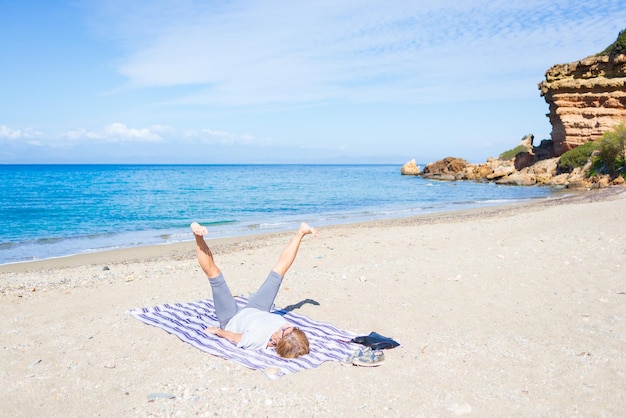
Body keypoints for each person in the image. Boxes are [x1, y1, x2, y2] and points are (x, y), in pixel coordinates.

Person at [191, 221, 318, 358]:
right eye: (291, 328)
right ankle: (301, 232)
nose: (287, 325)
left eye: (285, 330)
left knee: (214, 275)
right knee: (279, 272)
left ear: (276, 340)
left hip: (232, 318)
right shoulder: (286, 331)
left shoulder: (257, 340)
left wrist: (217, 331)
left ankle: (198, 236)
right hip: (258, 310)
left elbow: (235, 337)